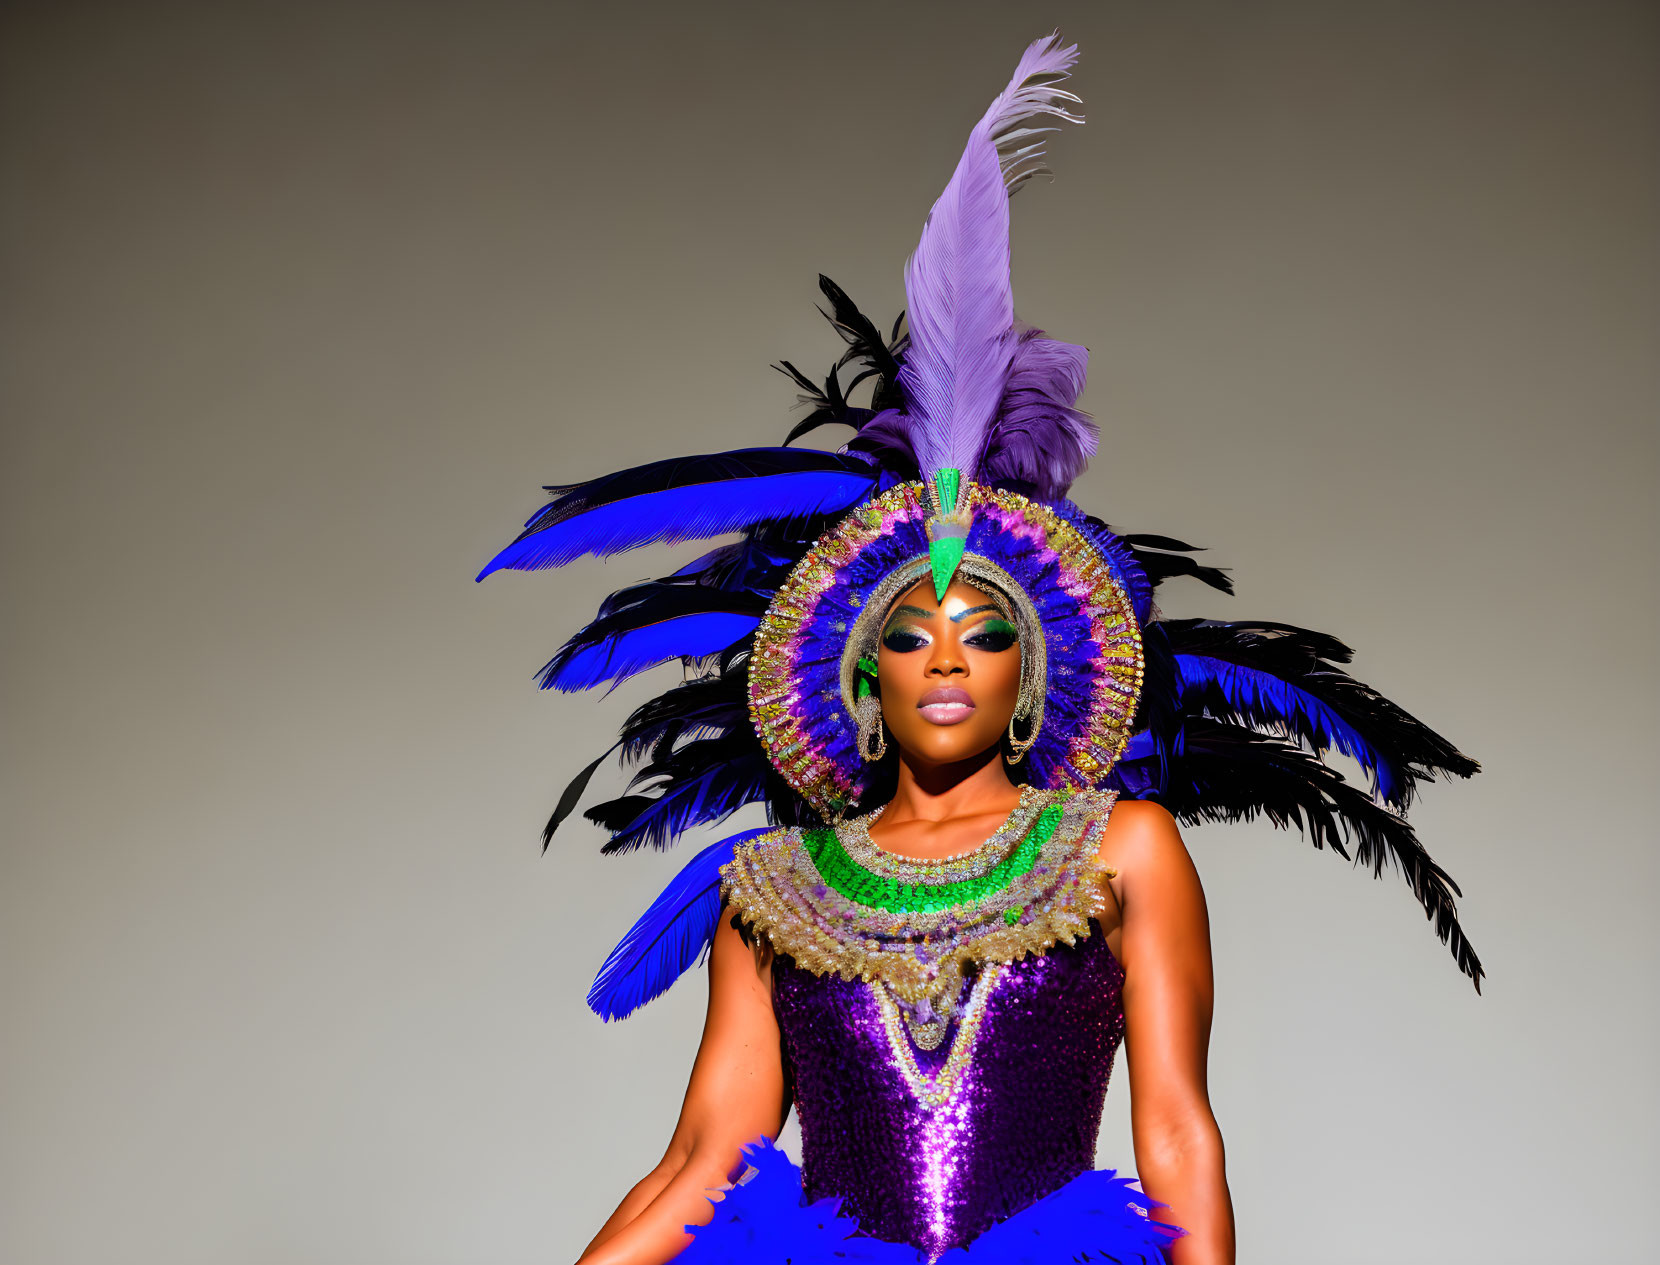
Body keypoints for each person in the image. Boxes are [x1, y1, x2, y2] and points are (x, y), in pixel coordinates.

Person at [477, 32, 1481, 1265]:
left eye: (982, 631)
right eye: (909, 634)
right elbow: (700, 1159)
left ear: (1027, 677)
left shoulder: (1123, 849)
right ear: (863, 678)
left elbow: (1175, 1128)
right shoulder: (770, 892)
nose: (945, 655)